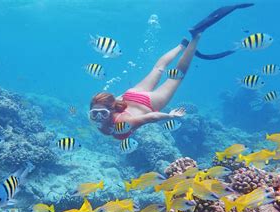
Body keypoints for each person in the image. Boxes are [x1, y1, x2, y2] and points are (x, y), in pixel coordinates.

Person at [89, 3, 254, 140]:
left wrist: (171, 116)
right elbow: (115, 101)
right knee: (158, 68)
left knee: (177, 76)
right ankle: (181, 46)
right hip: (130, 95)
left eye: (102, 113)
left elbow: (150, 117)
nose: (98, 118)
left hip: (148, 103)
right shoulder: (108, 114)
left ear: (110, 109)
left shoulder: (120, 123)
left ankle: (196, 36)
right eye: (95, 114)